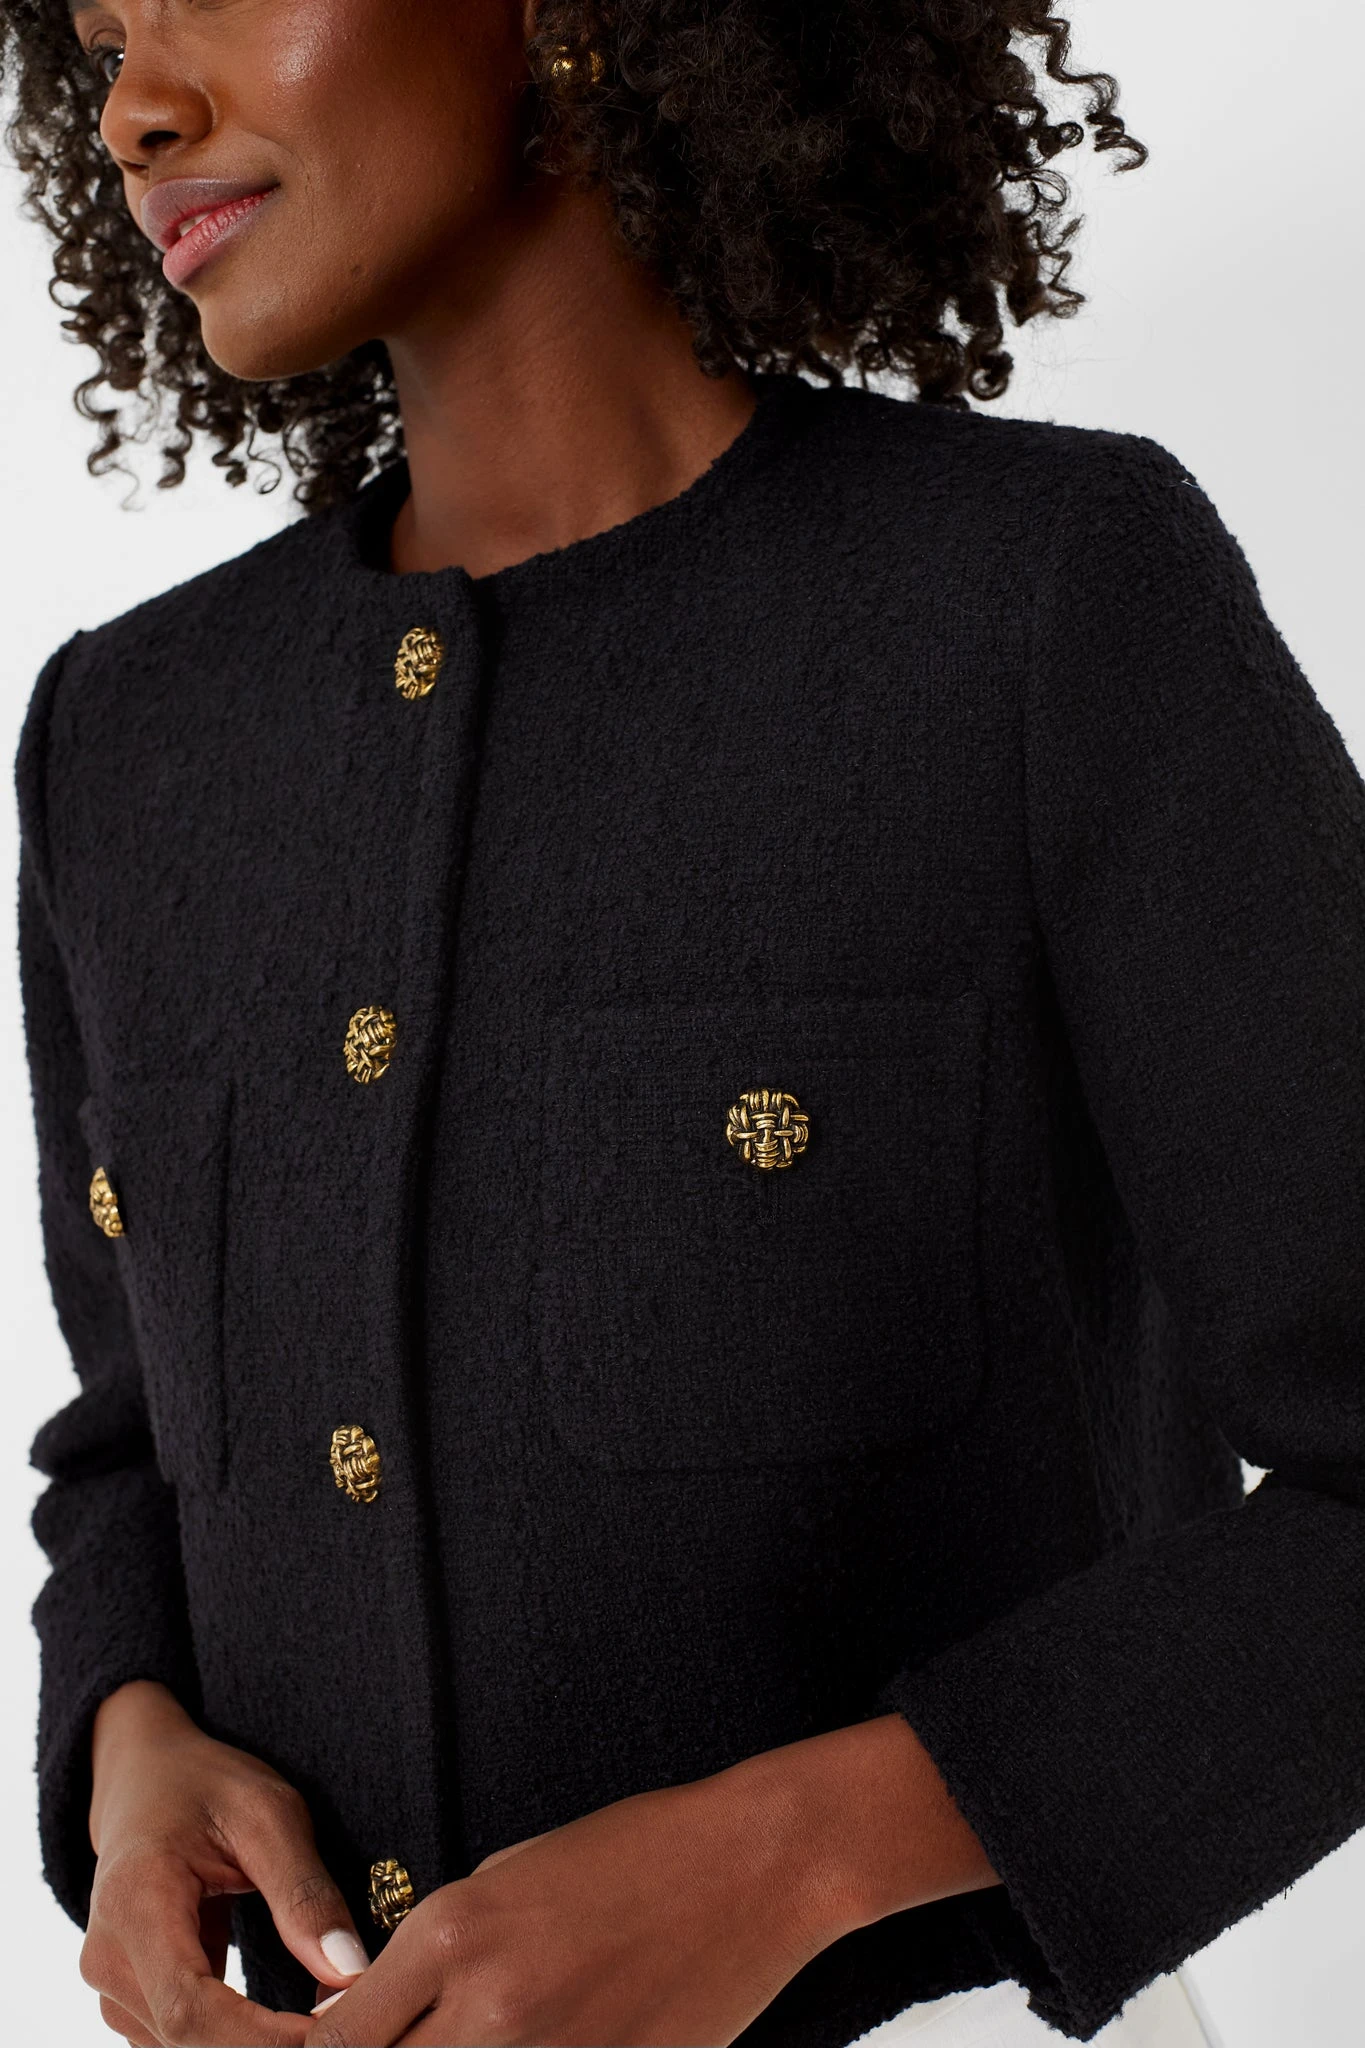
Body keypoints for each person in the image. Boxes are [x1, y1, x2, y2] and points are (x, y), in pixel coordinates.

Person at [8, 1, 1362, 2044]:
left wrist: (791, 1862)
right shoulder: (129, 738)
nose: (132, 106)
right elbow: (133, 1429)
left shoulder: (1035, 603)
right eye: (98, 32)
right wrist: (130, 1748)